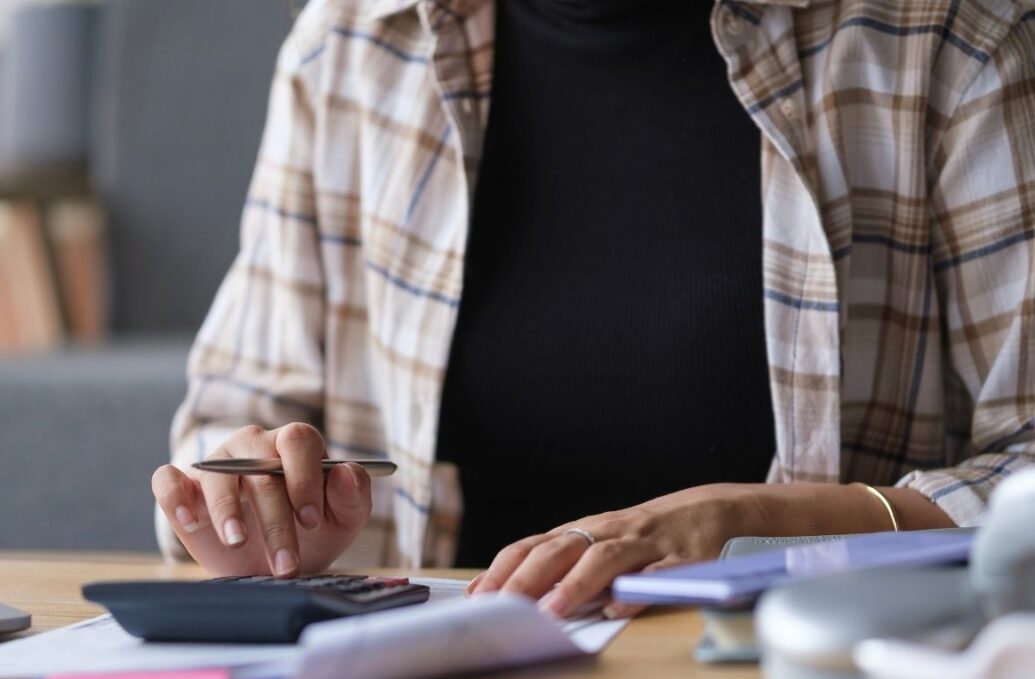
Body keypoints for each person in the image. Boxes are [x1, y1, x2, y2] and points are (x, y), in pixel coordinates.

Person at [151, 0, 1035, 618]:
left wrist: (761, 523)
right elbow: (233, 415)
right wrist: (253, 510)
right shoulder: (349, 39)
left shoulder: (949, 41)